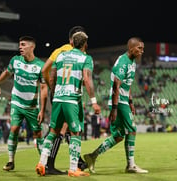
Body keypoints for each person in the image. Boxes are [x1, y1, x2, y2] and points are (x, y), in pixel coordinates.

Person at [36, 31, 101, 177]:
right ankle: (73, 168)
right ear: (85, 44)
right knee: (75, 132)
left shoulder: (60, 55)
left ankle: (41, 163)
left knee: (53, 131)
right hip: (71, 99)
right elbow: (87, 79)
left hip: (58, 97)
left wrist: (55, 93)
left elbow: (51, 78)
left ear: (72, 43)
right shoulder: (86, 58)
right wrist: (94, 102)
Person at [84, 37, 148, 174]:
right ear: (131, 48)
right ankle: (131, 165)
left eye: (143, 48)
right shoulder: (123, 62)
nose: (142, 51)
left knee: (118, 136)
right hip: (119, 102)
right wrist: (114, 108)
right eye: (139, 48)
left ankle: (92, 156)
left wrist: (131, 102)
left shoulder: (132, 62)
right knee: (132, 129)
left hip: (124, 101)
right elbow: (115, 86)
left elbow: (127, 84)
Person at [0, 36, 48, 171]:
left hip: (32, 106)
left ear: (32, 47)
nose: (20, 47)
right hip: (17, 103)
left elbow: (44, 88)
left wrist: (42, 110)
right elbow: (7, 73)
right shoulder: (15, 60)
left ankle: (43, 163)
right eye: (19, 45)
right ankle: (11, 161)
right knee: (14, 129)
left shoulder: (41, 66)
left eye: (23, 45)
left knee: (37, 134)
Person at [41, 26, 88, 175]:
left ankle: (76, 161)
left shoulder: (58, 51)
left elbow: (44, 70)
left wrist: (52, 89)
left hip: (57, 92)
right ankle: (51, 164)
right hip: (71, 95)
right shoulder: (80, 53)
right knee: (65, 128)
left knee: (62, 128)